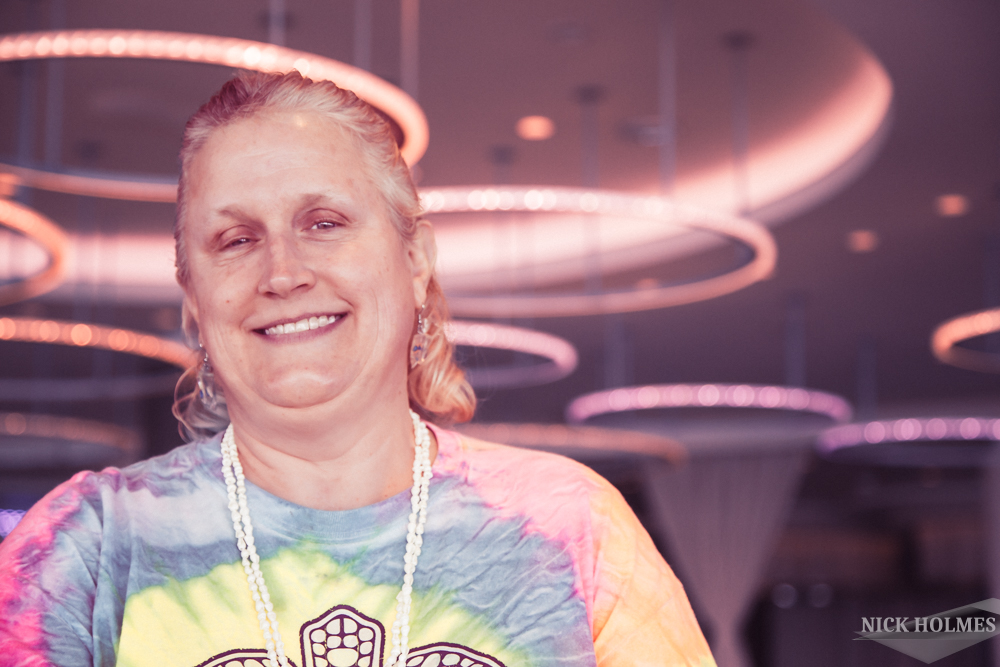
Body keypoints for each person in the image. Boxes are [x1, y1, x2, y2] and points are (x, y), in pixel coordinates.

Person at [0, 71, 715, 667]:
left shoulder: (569, 526)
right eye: (236, 239)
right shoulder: (88, 545)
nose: (283, 273)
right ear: (194, 301)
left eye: (324, 223)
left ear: (415, 260)